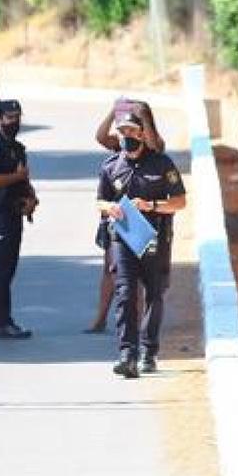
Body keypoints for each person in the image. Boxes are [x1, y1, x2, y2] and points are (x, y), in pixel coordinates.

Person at [96, 109, 187, 378]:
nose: (127, 137)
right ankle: (127, 353)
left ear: (142, 134)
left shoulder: (161, 164)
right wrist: (110, 208)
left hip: (154, 236)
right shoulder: (111, 166)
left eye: (132, 132)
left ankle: (149, 351)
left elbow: (180, 201)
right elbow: (99, 201)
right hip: (122, 237)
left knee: (154, 293)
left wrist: (152, 205)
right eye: (123, 132)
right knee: (125, 292)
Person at [85, 99, 166, 333]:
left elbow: (155, 143)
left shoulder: (151, 147)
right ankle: (100, 318)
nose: (126, 132)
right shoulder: (119, 149)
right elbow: (101, 137)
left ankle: (138, 324)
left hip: (142, 220)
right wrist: (113, 111)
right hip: (116, 217)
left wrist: (145, 118)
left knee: (138, 277)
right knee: (111, 269)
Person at [0, 99, 39, 339]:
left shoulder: (17, 147)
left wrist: (31, 199)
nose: (14, 122)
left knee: (8, 269)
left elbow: (24, 179)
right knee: (1, 270)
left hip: (14, 213)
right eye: (9, 117)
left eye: (17, 117)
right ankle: (1, 322)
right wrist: (17, 176)